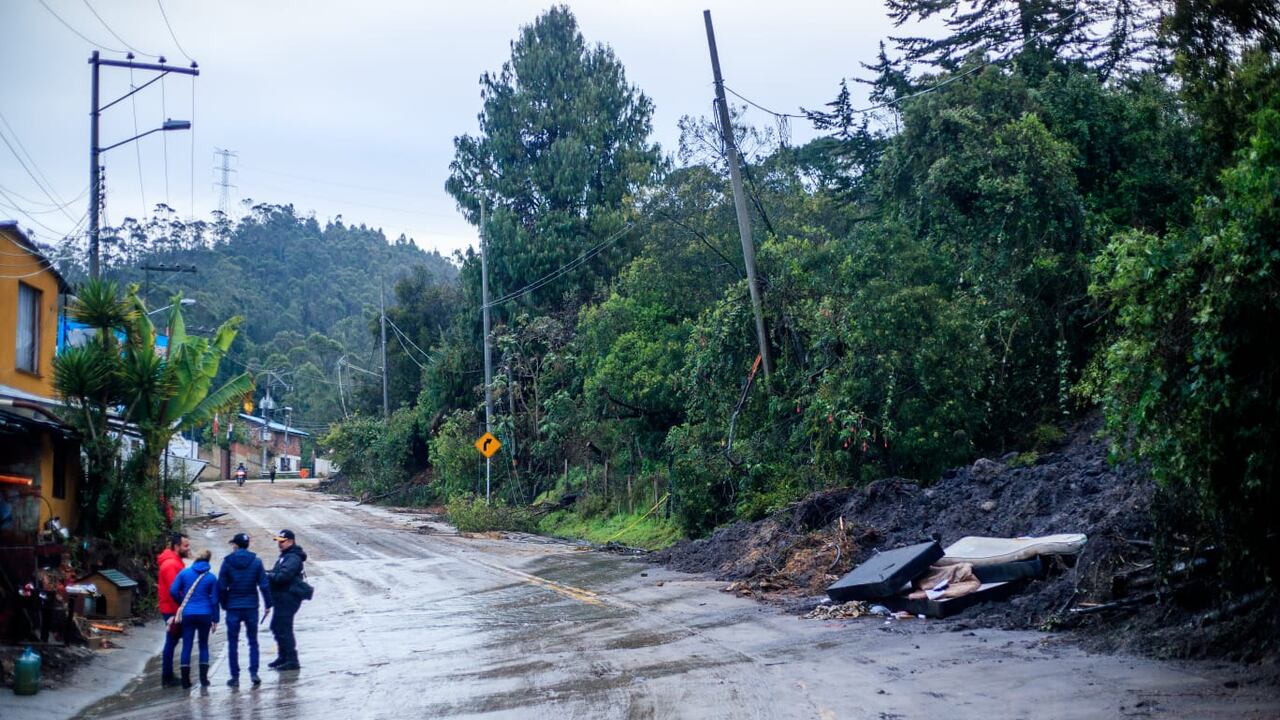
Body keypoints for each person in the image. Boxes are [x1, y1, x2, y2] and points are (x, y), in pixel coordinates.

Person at [218, 532, 272, 687]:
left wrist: (224, 604)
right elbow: (264, 584)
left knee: (233, 642)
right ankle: (254, 672)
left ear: (235, 545)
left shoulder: (227, 562)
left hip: (233, 607)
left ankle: (234, 677)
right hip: (251, 606)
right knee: (253, 641)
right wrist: (268, 603)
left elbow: (221, 586)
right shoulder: (256, 562)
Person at [169, 548, 220, 688]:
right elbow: (215, 600)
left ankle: (186, 681)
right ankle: (204, 680)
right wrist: (215, 619)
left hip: (188, 615)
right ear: (208, 561)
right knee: (203, 645)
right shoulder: (211, 577)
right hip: (205, 614)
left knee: (187, 645)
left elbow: (173, 590)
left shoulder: (184, 573)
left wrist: (182, 604)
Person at [266, 529, 307, 671]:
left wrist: (269, 576)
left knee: (284, 627)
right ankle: (283, 656)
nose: (279, 544)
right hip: (282, 596)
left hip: (289, 596)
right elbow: (277, 572)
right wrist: (268, 573)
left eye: (282, 542)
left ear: (290, 541)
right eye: (279, 542)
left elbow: (283, 576)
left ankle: (291, 659)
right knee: (276, 626)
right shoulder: (286, 556)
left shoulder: (293, 558)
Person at [156, 532, 190, 688]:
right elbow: (174, 591)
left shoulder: (173, 561)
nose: (188, 549)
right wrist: (182, 609)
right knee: (171, 641)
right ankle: (167, 677)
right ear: (177, 546)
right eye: (185, 546)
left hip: (172, 608)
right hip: (172, 609)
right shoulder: (171, 564)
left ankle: (168, 675)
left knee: (173, 640)